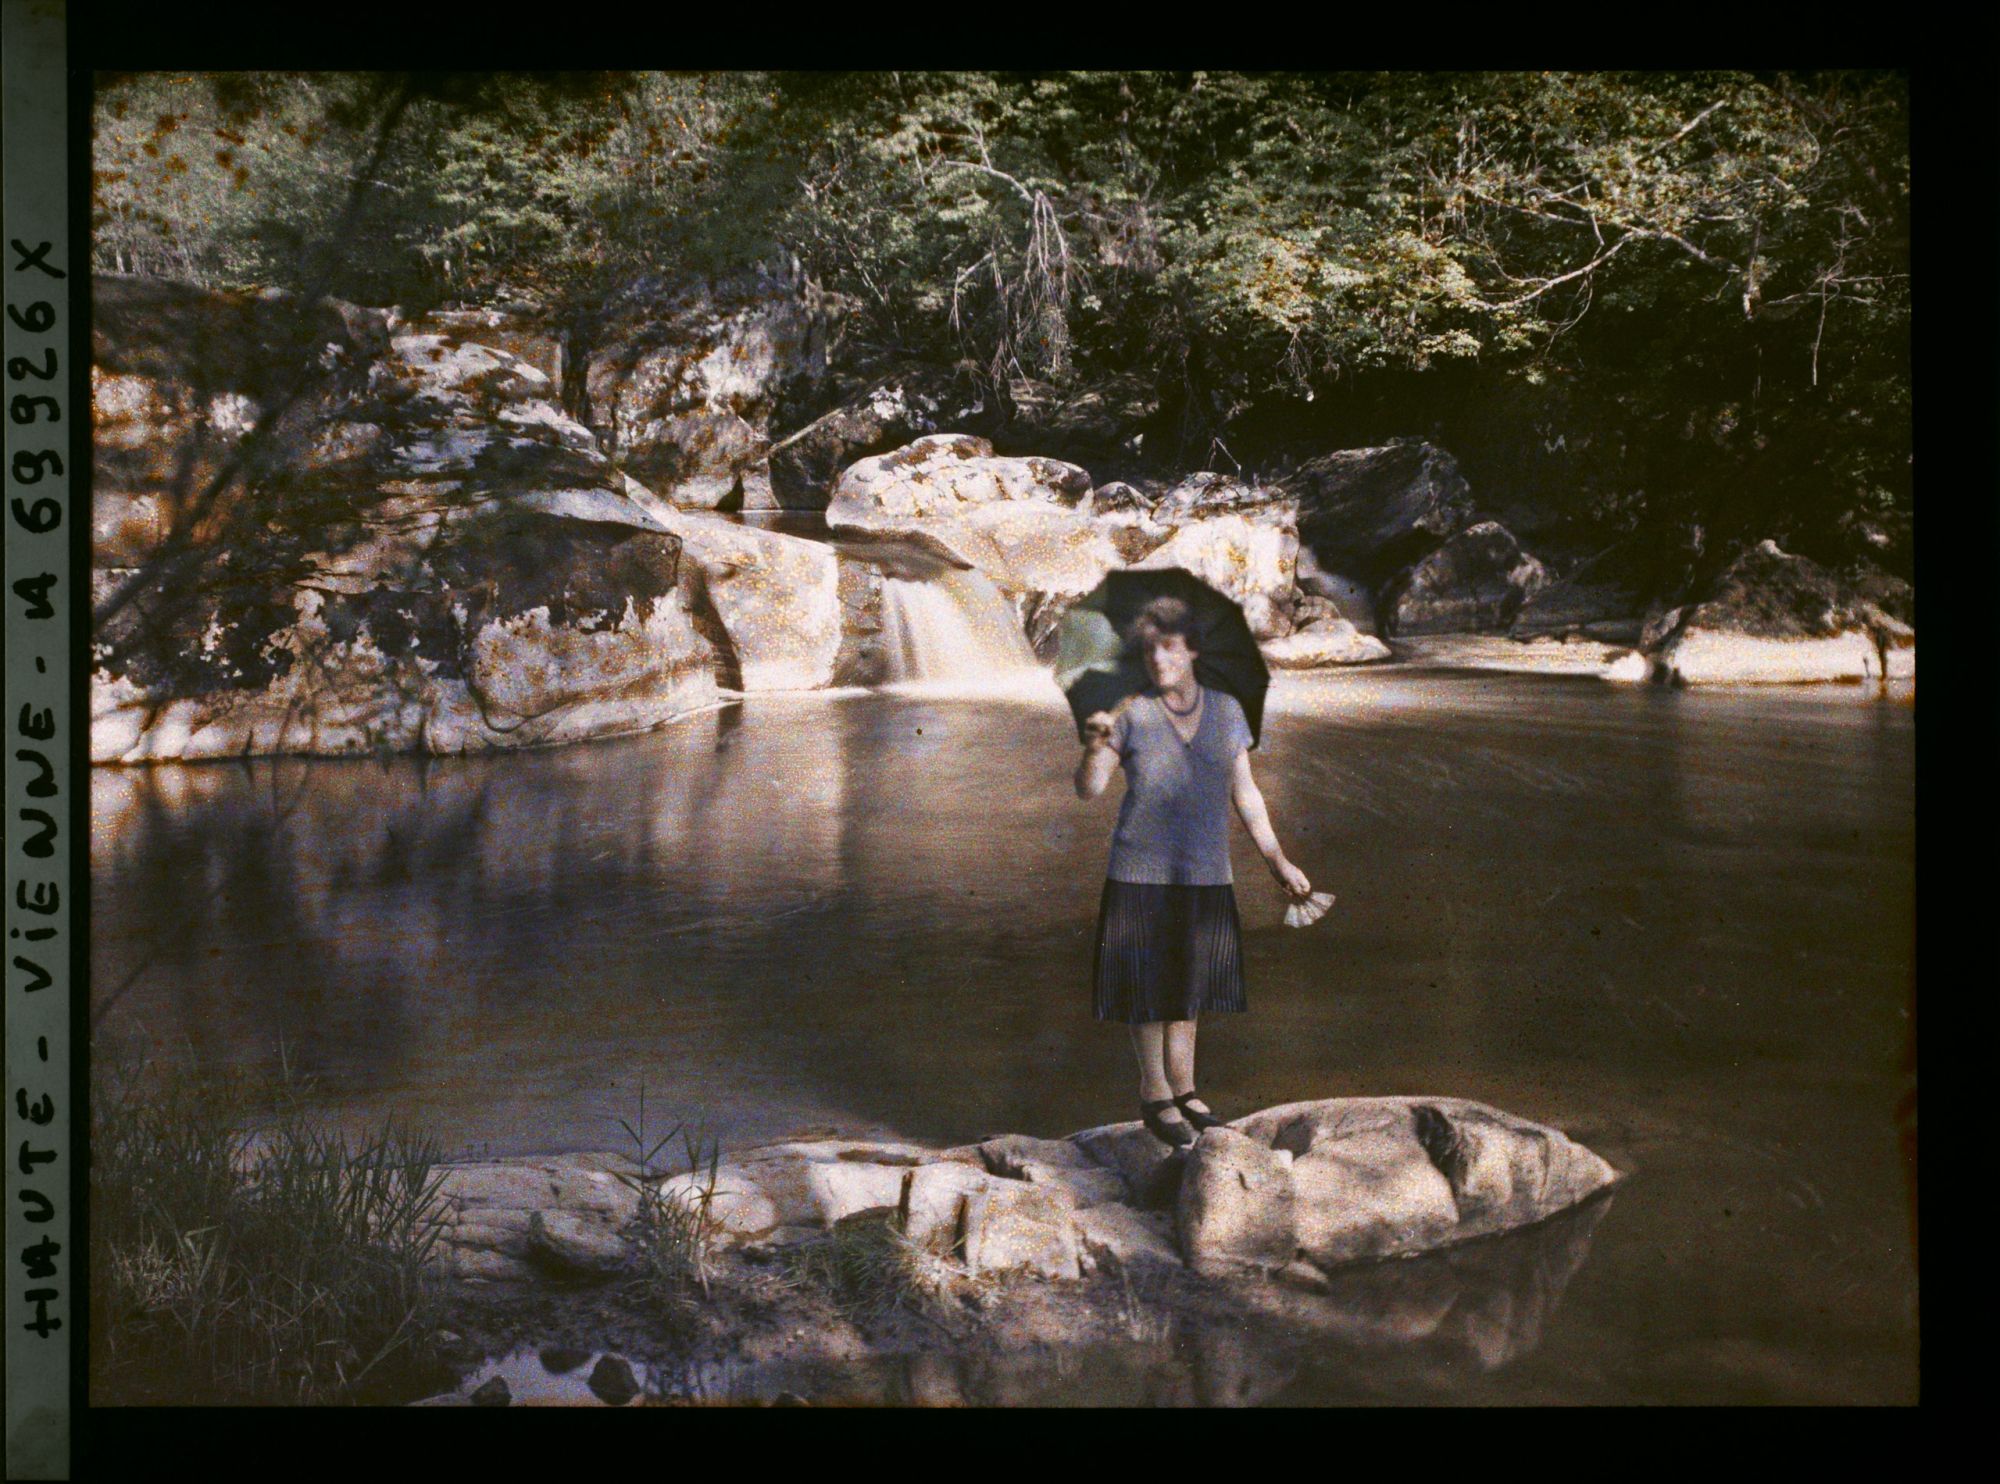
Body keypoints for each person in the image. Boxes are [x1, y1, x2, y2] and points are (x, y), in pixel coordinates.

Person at [1073, 595, 1312, 1148]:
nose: (1159, 660)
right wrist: (1092, 750)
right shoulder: (1128, 713)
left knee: (1190, 986)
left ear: (1193, 650)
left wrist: (1277, 859)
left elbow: (1245, 793)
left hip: (1206, 870)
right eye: (1150, 650)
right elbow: (1089, 791)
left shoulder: (1228, 711)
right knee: (1146, 989)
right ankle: (1154, 1093)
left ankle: (1185, 1088)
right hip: (1140, 870)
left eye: (1171, 648)